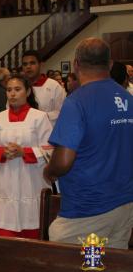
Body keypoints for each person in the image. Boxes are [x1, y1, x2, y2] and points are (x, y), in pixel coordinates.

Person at [44, 38, 133, 249]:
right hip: (123, 203)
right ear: (110, 64)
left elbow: (64, 161)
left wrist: (49, 171)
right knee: (108, 271)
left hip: (87, 210)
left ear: (76, 65)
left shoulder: (77, 102)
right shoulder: (127, 98)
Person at [0, 75, 52, 239]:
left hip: (31, 180)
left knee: (33, 234)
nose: (12, 94)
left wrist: (24, 152)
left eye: (17, 89)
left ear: (28, 91)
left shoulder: (39, 117)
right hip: (5, 180)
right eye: (9, 90)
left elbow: (50, 149)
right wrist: (2, 152)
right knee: (5, 235)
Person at [21, 50, 66, 126]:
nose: (28, 67)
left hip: (48, 133)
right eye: (25, 64)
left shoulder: (53, 86)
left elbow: (63, 111)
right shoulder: (18, 87)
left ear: (41, 65)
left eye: (32, 63)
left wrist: (40, 116)